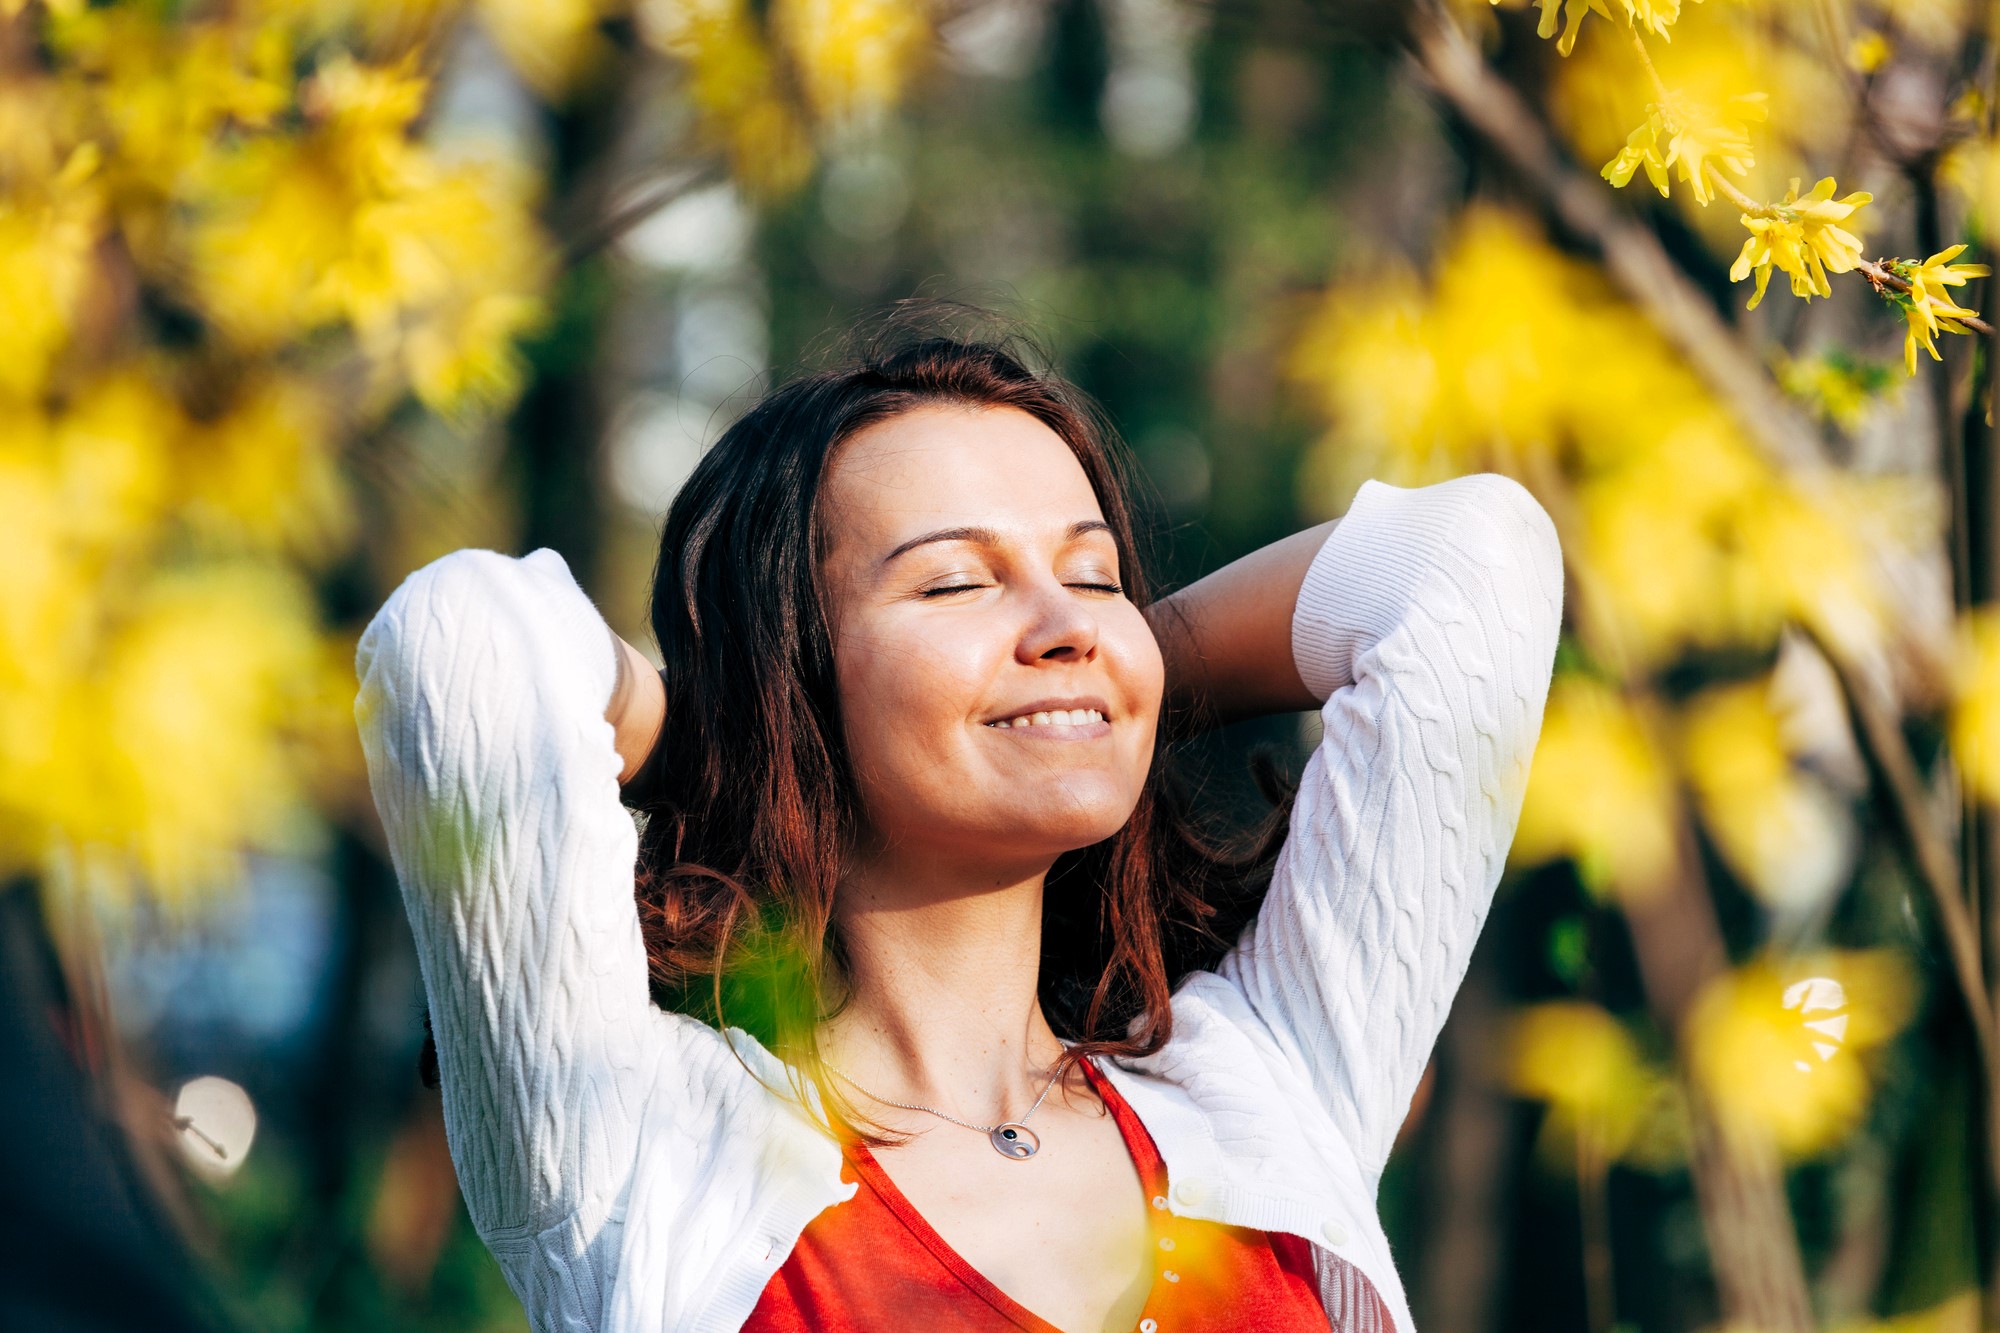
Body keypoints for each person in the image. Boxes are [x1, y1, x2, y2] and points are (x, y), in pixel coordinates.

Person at [355, 321, 1562, 1333]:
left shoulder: (1259, 1083)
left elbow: (1468, 564)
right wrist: (739, 736)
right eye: (953, 582)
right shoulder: (638, 1152)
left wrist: (1099, 693)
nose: (1064, 618)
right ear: (799, 678)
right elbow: (461, 647)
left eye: (1093, 576)